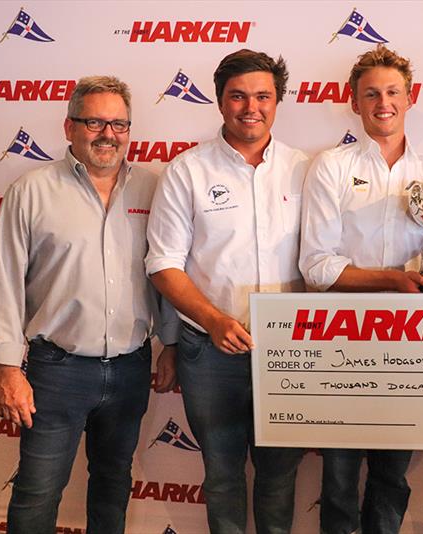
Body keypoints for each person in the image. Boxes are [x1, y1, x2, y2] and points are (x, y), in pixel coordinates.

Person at [0, 76, 179, 534]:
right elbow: (2, 281)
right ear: (69, 127)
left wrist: (170, 343)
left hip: (130, 369)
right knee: (38, 490)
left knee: (112, 483)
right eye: (94, 122)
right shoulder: (32, 191)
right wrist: (7, 369)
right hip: (56, 371)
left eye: (119, 124)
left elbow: (165, 271)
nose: (108, 134)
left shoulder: (153, 188)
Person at [145, 49, 309, 534]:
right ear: (220, 102)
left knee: (280, 475)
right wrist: (214, 321)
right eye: (238, 96)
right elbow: (163, 263)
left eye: (263, 96)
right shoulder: (186, 171)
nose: (250, 107)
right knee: (221, 475)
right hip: (210, 350)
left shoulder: (306, 170)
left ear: (278, 102)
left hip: (289, 351)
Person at [298, 44, 423, 534]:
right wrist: (394, 278)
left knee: (392, 473)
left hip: (412, 339)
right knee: (340, 473)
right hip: (343, 337)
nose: (382, 103)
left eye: (392, 92)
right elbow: (317, 267)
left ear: (410, 98)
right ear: (355, 102)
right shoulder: (331, 167)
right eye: (371, 94)